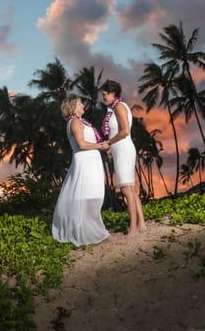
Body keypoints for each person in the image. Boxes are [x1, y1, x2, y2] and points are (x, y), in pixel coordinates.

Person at [52, 95, 111, 246]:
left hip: (90, 160)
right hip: (85, 161)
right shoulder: (75, 122)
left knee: (92, 194)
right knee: (86, 195)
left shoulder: (79, 121)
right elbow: (82, 144)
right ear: (73, 107)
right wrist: (101, 146)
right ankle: (84, 231)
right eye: (80, 104)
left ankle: (90, 228)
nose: (83, 106)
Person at [101, 80, 146, 236]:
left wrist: (108, 142)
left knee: (126, 189)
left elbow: (125, 131)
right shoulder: (114, 108)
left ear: (113, 93)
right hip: (120, 150)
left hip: (123, 150)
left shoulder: (119, 107)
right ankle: (142, 224)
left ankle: (133, 227)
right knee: (131, 189)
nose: (103, 98)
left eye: (105, 94)